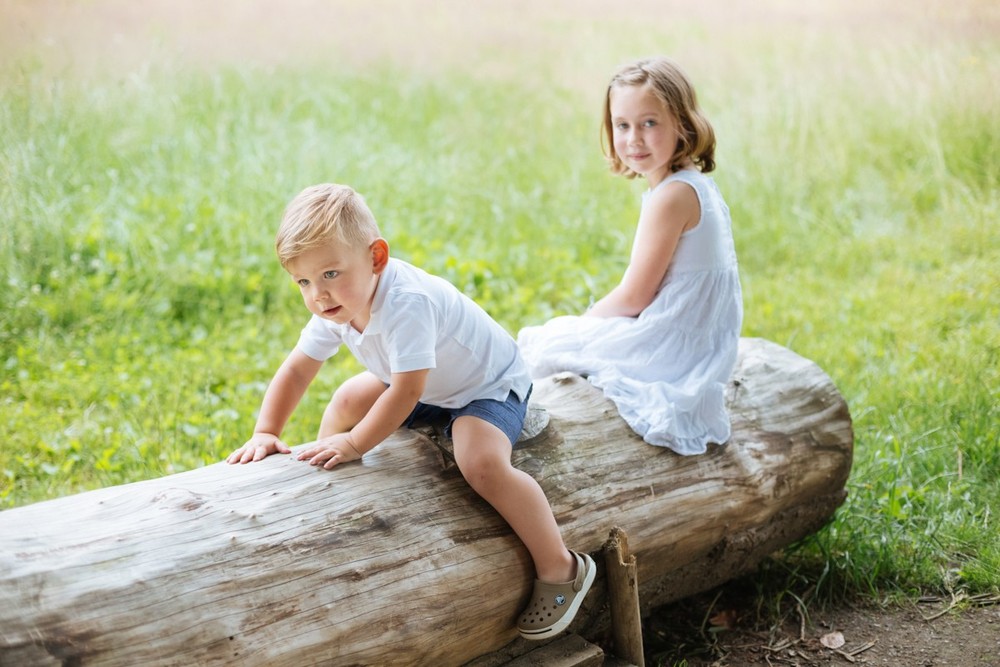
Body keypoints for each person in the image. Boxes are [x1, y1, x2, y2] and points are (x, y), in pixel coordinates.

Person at [226, 183, 594, 640]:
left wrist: (357, 441)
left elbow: (406, 390)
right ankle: (327, 486)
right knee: (346, 399)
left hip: (483, 386)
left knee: (479, 463)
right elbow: (298, 370)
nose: (318, 295)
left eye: (331, 274)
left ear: (376, 258)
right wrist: (266, 430)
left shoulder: (407, 304)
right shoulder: (336, 307)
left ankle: (561, 567)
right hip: (425, 382)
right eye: (304, 281)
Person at [518, 56, 743, 455]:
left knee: (549, 343)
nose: (634, 139)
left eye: (649, 123)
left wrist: (585, 322)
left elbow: (635, 296)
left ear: (683, 124)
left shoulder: (673, 196)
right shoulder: (694, 186)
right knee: (556, 340)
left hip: (677, 345)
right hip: (701, 338)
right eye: (622, 125)